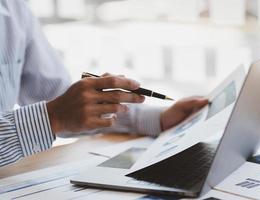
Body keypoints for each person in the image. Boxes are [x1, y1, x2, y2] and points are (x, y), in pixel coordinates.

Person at [0, 0, 208, 167]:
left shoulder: (15, 6)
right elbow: (57, 110)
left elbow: (57, 98)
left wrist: (157, 119)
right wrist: (52, 117)